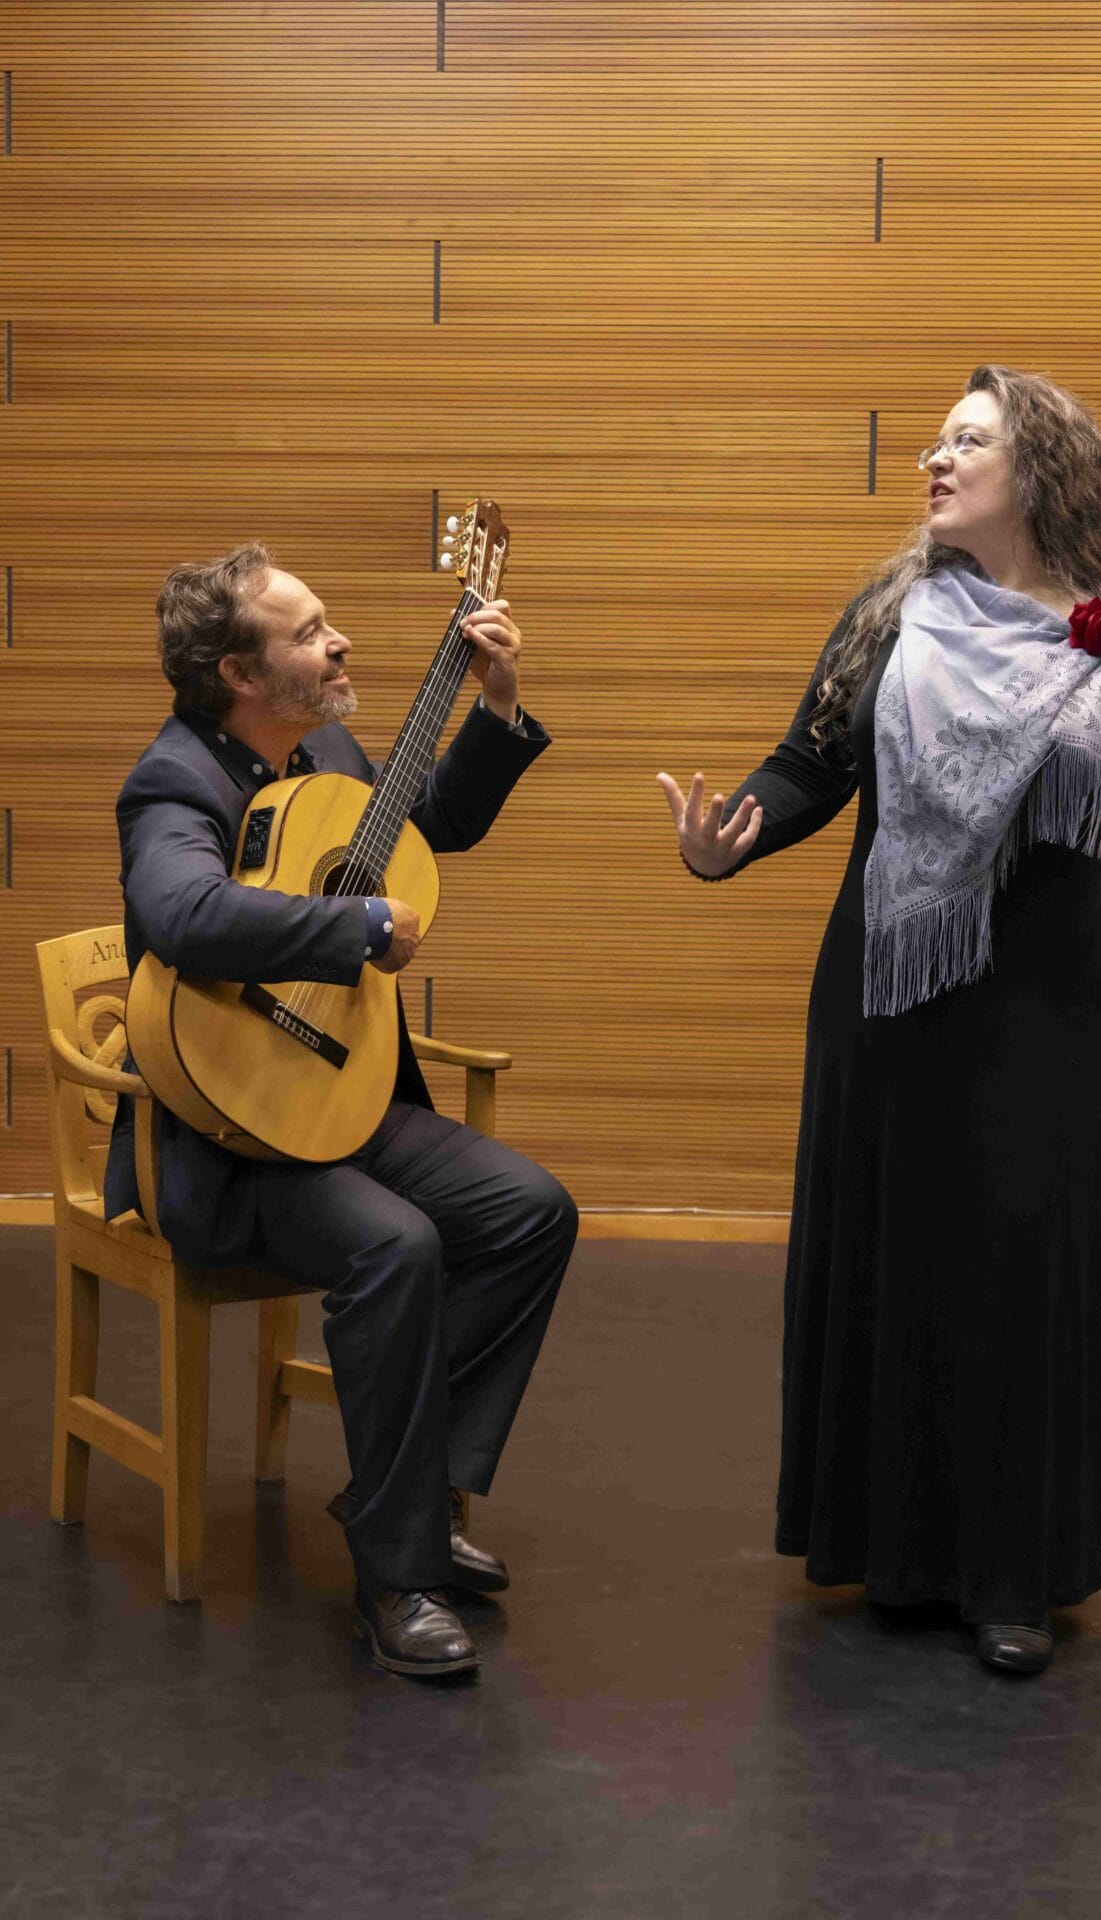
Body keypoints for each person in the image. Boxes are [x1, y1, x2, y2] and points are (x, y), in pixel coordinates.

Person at [658, 365, 1101, 1676]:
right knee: (898, 1247)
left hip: (1046, 1003)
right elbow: (811, 761)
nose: (933, 457)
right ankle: (892, 1545)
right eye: (934, 440)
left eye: (965, 441)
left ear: (1037, 473)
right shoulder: (892, 615)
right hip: (892, 988)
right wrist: (726, 841)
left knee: (1019, 1273)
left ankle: (1012, 1578)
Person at [105, 543, 578, 1680]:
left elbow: (431, 830)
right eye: (309, 631)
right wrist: (357, 931)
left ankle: (401, 1496)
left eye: (330, 620)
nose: (340, 641)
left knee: (529, 1210)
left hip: (338, 1097)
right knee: (396, 1246)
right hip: (222, 1141)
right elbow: (185, 916)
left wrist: (496, 707)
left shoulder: (325, 749)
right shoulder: (175, 782)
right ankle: (397, 1577)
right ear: (239, 674)